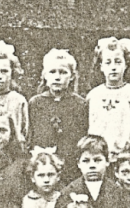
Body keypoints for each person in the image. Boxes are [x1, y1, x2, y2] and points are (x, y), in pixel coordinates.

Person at [54, 135, 122, 208]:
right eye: (86, 161)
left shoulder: (118, 192)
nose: (92, 165)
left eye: (97, 160)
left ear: (107, 161)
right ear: (78, 164)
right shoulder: (68, 193)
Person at [28, 48, 88, 183]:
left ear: (72, 76)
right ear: (44, 75)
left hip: (71, 165)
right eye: (52, 72)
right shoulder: (35, 103)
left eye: (63, 72)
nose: (57, 77)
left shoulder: (80, 104)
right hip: (44, 168)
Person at [86, 37, 130, 160]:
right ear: (101, 67)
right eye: (108, 62)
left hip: (127, 156)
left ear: (126, 65)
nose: (113, 67)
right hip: (100, 156)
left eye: (118, 62)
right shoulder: (93, 95)